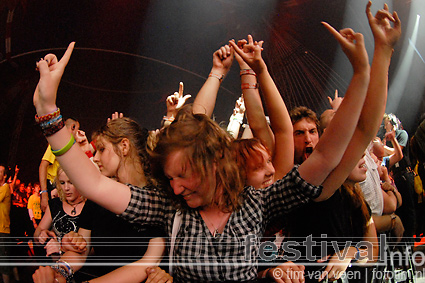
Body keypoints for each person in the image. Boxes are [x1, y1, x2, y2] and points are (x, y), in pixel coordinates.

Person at [34, 117, 167, 283]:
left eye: (102, 149)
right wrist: (60, 271)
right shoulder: (97, 200)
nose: (96, 158)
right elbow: (80, 252)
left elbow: (146, 265)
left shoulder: (156, 199)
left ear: (124, 147)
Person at [33, 167, 87, 260]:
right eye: (62, 183)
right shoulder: (55, 204)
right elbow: (36, 235)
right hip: (55, 266)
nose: (66, 188)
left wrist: (61, 247)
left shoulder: (90, 206)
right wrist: (43, 235)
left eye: (71, 182)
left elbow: (94, 248)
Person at [0, 164, 12, 283]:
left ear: (4, 176)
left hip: (2, 230)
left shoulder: (6, 187)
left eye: (0, 172)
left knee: (4, 264)